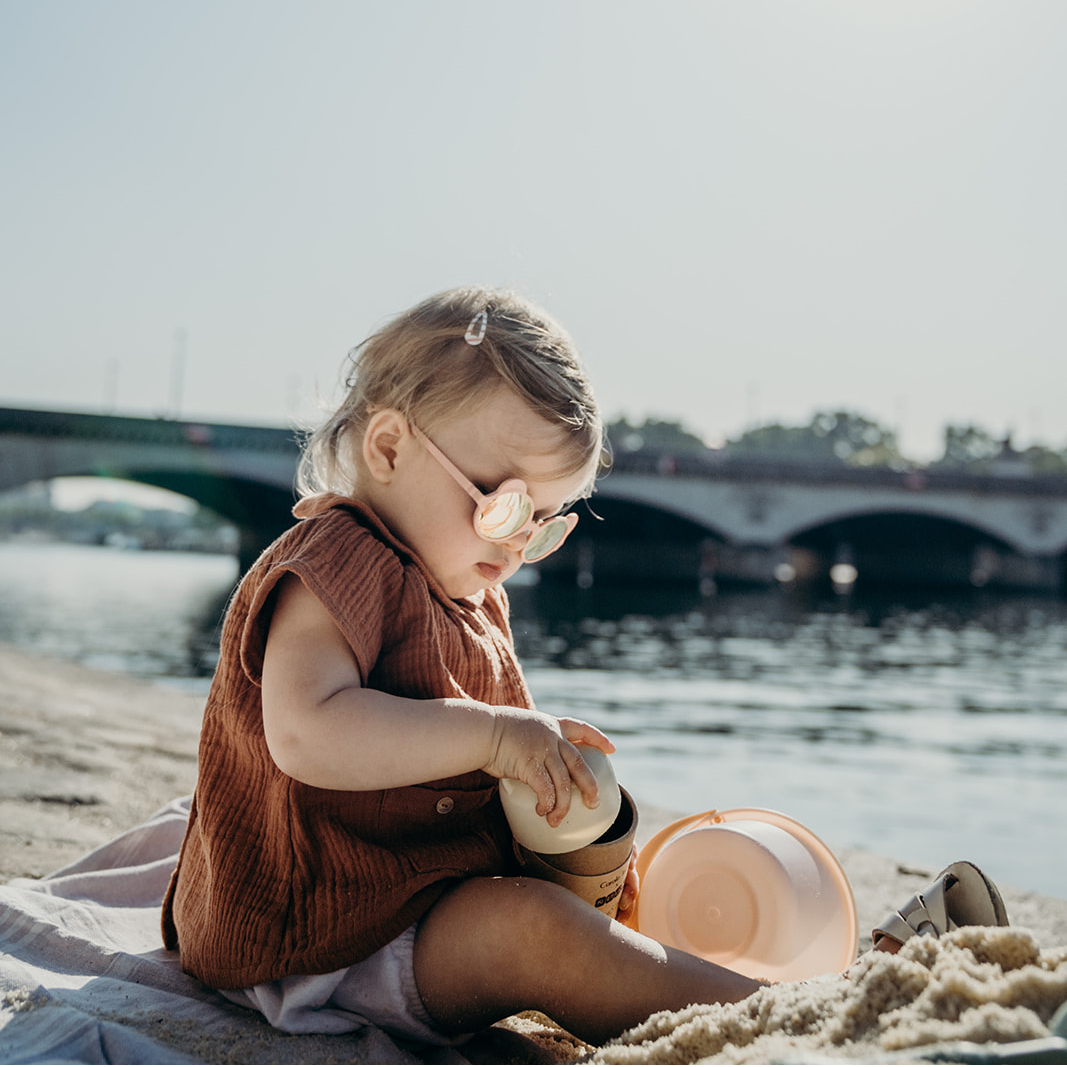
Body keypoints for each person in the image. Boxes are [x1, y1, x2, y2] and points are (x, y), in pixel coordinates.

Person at [161, 286, 1006, 1049]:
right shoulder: (335, 558)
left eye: (544, 524)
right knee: (540, 936)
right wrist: (496, 736)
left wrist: (563, 811)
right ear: (388, 447)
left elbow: (475, 773)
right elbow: (307, 732)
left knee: (646, 894)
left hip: (405, 898)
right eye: (503, 506)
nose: (517, 548)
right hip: (307, 931)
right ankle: (816, 1020)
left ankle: (829, 980)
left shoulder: (466, 593)